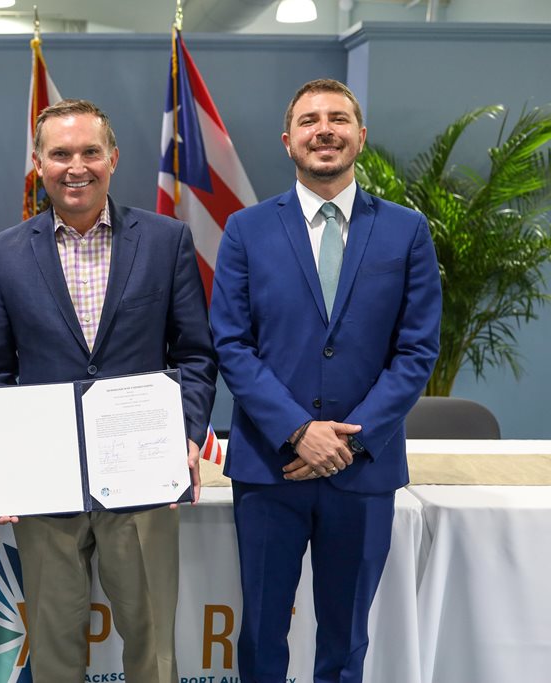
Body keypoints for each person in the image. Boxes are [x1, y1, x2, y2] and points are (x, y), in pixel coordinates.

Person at [0, 99, 217, 683]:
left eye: (89, 152)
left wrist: (187, 435)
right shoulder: (3, 254)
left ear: (113, 158)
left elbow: (196, 354)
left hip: (143, 474)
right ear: (38, 163)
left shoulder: (166, 241)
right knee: (55, 647)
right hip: (43, 479)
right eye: (59, 154)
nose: (75, 166)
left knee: (152, 643)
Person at [210, 78, 441, 683]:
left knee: (345, 639)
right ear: (289, 140)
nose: (325, 130)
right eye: (309, 121)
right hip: (269, 468)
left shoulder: (406, 231)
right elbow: (232, 344)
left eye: (338, 118)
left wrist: (346, 440)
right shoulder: (245, 229)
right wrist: (297, 431)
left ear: (360, 136)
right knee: (262, 633)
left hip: (363, 469)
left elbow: (416, 351)